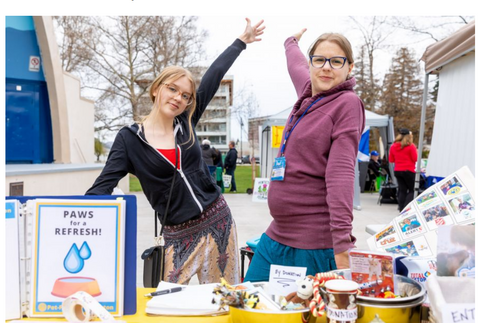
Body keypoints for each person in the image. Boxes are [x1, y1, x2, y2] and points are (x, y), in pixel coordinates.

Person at [85, 18, 265, 285]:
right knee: (166, 307)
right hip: (177, 236)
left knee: (222, 301)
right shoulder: (129, 139)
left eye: (185, 95)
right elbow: (101, 188)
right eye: (172, 89)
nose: (178, 98)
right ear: (157, 89)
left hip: (218, 222)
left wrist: (240, 42)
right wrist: (69, 218)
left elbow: (213, 77)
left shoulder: (186, 123)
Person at [244, 29, 365, 282]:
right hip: (276, 235)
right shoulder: (309, 92)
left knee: (299, 319)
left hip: (313, 245)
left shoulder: (347, 104)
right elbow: (295, 64)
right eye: (319, 60)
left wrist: (342, 244)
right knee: (249, 304)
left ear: (349, 67)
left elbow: (341, 174)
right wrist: (290, 42)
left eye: (336, 61)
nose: (326, 67)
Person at [389, 128, 418, 212]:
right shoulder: (411, 146)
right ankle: (406, 208)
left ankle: (401, 208)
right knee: (412, 190)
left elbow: (391, 160)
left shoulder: (393, 146)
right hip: (409, 170)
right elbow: (415, 158)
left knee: (402, 190)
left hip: (397, 170)